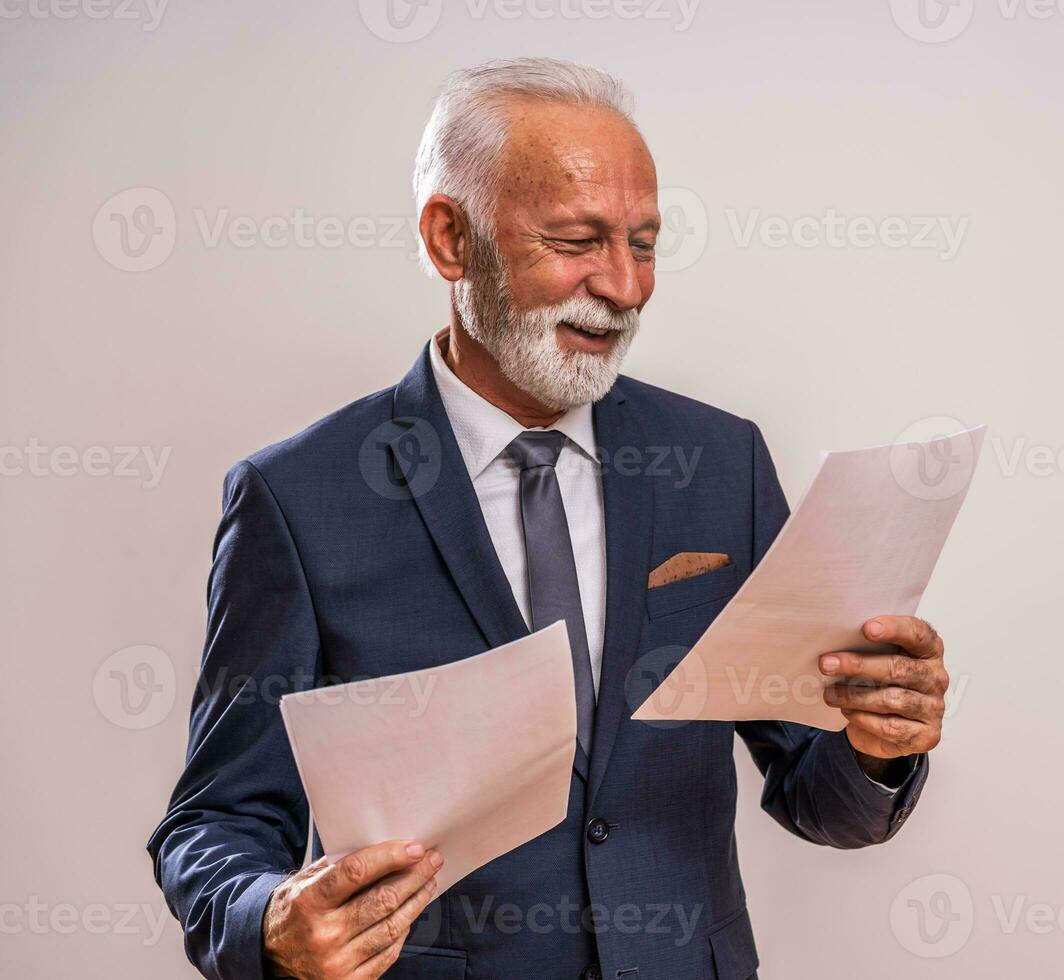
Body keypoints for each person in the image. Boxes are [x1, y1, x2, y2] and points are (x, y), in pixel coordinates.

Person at [148, 57, 951, 980]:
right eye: (577, 240)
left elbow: (819, 794)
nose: (625, 287)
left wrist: (877, 747)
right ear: (451, 240)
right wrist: (271, 922)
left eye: (644, 243)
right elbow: (216, 821)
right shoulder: (298, 499)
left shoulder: (719, 464)